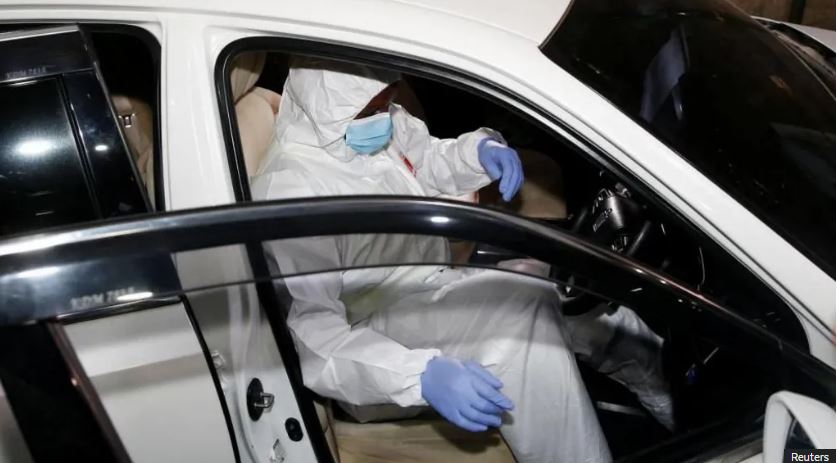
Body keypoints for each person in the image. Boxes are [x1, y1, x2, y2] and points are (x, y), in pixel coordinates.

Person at [251, 58, 615, 463]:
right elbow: (318, 340)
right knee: (520, 324)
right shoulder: (292, 192)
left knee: (561, 293)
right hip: (373, 344)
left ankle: (661, 391)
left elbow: (426, 160)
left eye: (388, 99)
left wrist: (478, 154)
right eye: (374, 107)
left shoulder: (370, 123)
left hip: (428, 283)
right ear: (332, 108)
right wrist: (419, 375)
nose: (387, 113)